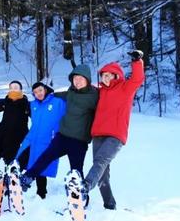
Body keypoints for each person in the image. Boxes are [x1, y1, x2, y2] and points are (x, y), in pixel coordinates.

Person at [83, 50, 145, 210]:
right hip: (98, 134)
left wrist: (137, 61)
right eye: (104, 75)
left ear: (117, 76)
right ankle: (109, 205)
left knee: (100, 161)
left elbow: (138, 79)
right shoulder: (100, 91)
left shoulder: (125, 88)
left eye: (110, 75)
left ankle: (84, 187)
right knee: (102, 173)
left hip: (115, 135)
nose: (106, 77)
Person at [21, 65, 99, 190]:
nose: (77, 81)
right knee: (46, 157)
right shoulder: (71, 92)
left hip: (79, 141)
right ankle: (27, 178)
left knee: (76, 171)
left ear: (87, 79)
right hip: (62, 137)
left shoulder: (95, 96)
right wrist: (43, 95)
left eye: (80, 78)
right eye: (75, 78)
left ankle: (80, 198)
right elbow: (55, 95)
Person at [15, 82, 66, 199]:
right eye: (35, 92)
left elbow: (72, 110)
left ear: (46, 89)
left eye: (40, 90)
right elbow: (19, 105)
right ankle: (15, 184)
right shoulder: (33, 105)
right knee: (21, 159)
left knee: (41, 166)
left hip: (48, 139)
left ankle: (41, 193)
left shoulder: (58, 102)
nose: (38, 93)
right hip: (32, 139)